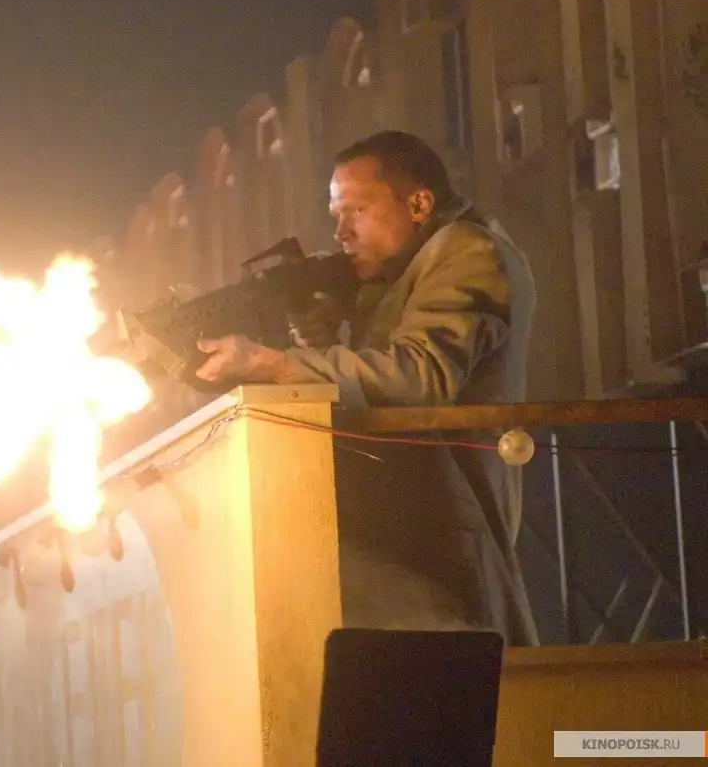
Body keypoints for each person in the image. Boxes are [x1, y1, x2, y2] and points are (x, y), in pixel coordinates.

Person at [195, 130, 541, 646]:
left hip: (445, 526)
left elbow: (419, 375)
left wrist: (277, 364)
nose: (341, 232)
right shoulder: (400, 271)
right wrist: (327, 328)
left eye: (356, 211)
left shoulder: (466, 250)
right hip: (411, 526)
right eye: (336, 215)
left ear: (419, 204)